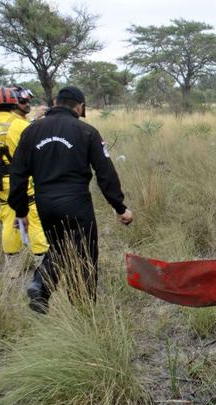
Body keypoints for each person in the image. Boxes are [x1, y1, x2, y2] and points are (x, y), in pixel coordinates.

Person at [8, 86, 133, 313]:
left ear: (56, 102)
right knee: (84, 253)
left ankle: (41, 284)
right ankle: (82, 310)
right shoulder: (86, 131)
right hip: (76, 202)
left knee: (59, 247)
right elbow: (105, 173)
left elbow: (17, 174)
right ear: (80, 106)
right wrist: (119, 206)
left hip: (45, 203)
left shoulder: (31, 131)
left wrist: (21, 211)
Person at [0, 86, 48, 277]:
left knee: (8, 219)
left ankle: (12, 269)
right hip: (23, 181)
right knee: (33, 218)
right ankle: (42, 263)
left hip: (0, 184)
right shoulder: (21, 125)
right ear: (13, 102)